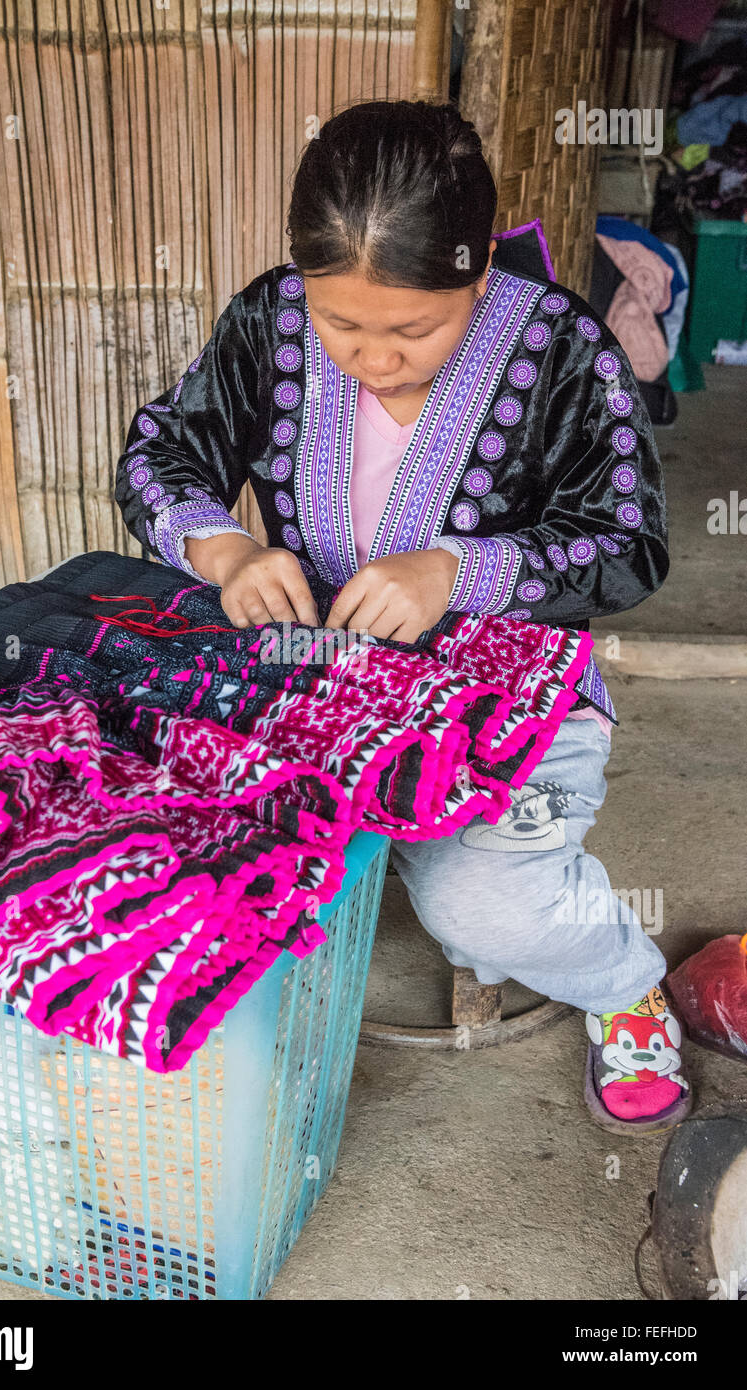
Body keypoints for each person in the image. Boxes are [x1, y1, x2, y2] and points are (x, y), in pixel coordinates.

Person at [115, 99, 691, 1134]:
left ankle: (621, 977)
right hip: (317, 678)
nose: (371, 357)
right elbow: (163, 450)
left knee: (481, 906)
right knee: (148, 833)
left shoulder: (563, 350)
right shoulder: (270, 320)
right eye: (341, 324)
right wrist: (223, 544)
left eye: (412, 329)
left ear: (476, 280)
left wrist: (455, 571)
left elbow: (628, 544)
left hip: (515, 700)